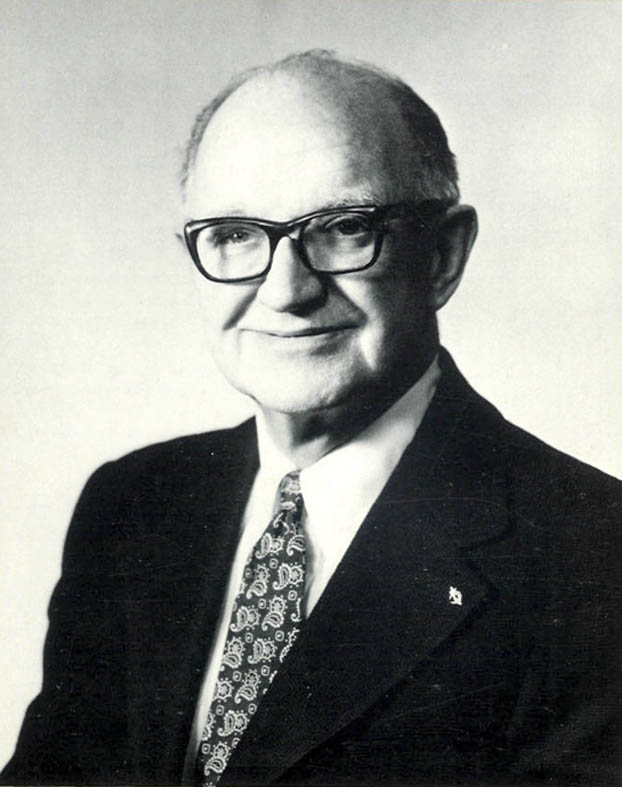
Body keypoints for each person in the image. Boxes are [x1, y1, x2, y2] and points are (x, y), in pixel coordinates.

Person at [2, 50, 620, 787]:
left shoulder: (593, 553)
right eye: (235, 234)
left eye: (344, 227)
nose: (286, 290)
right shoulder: (133, 505)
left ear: (442, 256)